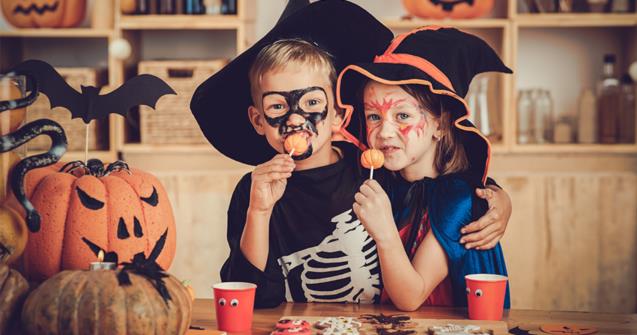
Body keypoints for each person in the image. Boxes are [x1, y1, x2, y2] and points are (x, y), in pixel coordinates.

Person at [190, 1, 511, 308]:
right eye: (277, 106)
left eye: (312, 103)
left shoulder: (373, 170)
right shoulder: (254, 192)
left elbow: (441, 185)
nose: (295, 119)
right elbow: (251, 299)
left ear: (339, 115)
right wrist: (258, 213)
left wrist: (494, 197)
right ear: (258, 120)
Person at [337, 26, 512, 311]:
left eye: (403, 115)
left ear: (441, 125)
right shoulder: (383, 183)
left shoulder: (458, 199)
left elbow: (410, 297)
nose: (384, 132)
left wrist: (384, 232)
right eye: (373, 116)